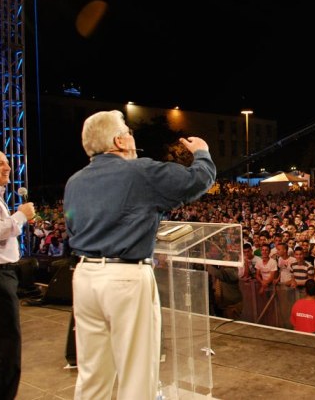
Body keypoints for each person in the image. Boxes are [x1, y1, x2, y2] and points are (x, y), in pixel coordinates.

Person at [64, 110, 216, 399]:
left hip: (84, 278)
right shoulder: (139, 172)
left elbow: (73, 228)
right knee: (137, 374)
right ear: (119, 141)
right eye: (128, 132)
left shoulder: (75, 182)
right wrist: (203, 154)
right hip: (125, 279)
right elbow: (197, 181)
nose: (132, 138)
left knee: (93, 375)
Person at [0, 149, 35, 400]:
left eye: (7, 163)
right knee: (5, 350)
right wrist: (20, 215)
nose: (7, 167)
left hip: (0, 274)